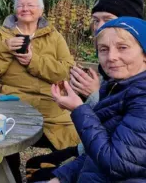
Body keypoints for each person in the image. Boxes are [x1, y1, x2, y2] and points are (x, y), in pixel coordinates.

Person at [26, 0, 145, 182]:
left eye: (108, 19)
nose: (99, 26)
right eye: (95, 20)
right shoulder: (115, 79)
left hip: (93, 151)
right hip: (92, 156)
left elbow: (116, 159)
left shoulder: (54, 37)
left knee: (37, 169)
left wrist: (85, 103)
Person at [0, 0, 79, 183]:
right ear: (15, 10)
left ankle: (55, 175)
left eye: (31, 5)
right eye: (21, 5)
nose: (25, 9)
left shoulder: (53, 36)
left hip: (49, 109)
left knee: (76, 141)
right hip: (10, 104)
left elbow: (67, 70)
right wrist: (6, 49)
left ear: (40, 11)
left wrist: (33, 60)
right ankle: (8, 177)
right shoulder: (1, 34)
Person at [49, 17, 146, 182]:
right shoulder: (115, 87)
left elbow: (115, 163)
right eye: (103, 49)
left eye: (122, 47)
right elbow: (93, 155)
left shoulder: (141, 99)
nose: (112, 57)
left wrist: (79, 109)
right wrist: (61, 178)